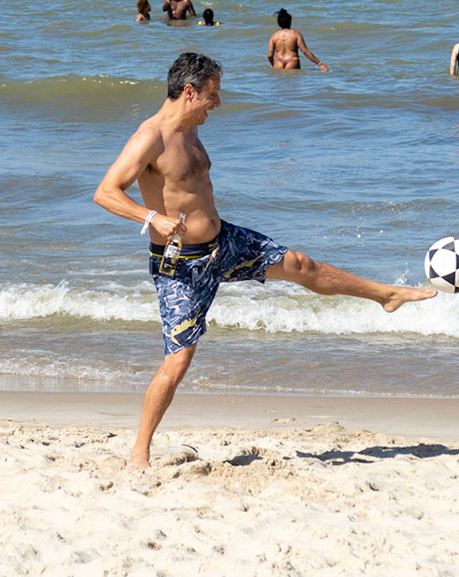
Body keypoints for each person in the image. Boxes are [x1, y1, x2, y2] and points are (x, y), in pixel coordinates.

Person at [92, 52, 433, 467]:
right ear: (189, 92)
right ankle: (139, 453)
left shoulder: (191, 128)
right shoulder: (150, 137)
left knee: (302, 265)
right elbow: (105, 192)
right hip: (182, 265)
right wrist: (153, 219)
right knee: (178, 361)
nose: (218, 103)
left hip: (224, 243)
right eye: (213, 94)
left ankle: (385, 296)